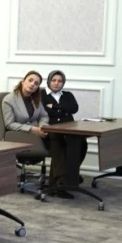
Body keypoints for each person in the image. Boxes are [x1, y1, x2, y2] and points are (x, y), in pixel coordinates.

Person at [41, 70, 88, 198]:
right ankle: (61, 185)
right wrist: (63, 110)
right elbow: (45, 111)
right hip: (51, 131)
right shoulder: (42, 95)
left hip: (69, 129)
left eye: (60, 81)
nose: (56, 83)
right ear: (49, 81)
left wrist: (55, 107)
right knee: (60, 145)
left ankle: (67, 177)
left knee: (81, 144)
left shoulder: (68, 95)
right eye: (53, 80)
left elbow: (74, 108)